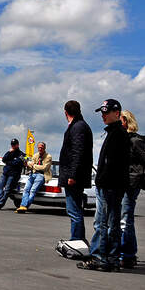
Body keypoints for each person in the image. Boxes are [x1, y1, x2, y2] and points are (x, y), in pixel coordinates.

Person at [78, 99, 130, 272]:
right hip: (112, 186)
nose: (103, 115)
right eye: (102, 112)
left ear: (117, 113)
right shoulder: (115, 133)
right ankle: (112, 259)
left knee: (102, 223)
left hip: (109, 187)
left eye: (106, 112)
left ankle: (101, 258)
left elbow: (113, 164)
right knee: (111, 223)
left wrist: (102, 181)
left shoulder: (118, 134)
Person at [120, 110, 145, 269]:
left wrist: (142, 181)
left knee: (125, 220)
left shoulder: (135, 141)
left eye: (119, 120)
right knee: (126, 219)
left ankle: (127, 255)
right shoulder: (124, 139)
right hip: (124, 184)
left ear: (126, 121)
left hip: (130, 185)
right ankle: (129, 254)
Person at [58, 100, 94, 242]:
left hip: (74, 177)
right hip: (76, 175)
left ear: (65, 112)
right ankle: (78, 240)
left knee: (74, 210)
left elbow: (77, 152)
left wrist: (72, 175)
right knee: (75, 209)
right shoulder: (80, 125)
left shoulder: (78, 127)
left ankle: (77, 240)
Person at [16, 142, 52, 213]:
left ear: (45, 148)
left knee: (32, 191)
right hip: (32, 174)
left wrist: (33, 165)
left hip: (41, 175)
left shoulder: (48, 156)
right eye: (39, 147)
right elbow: (30, 165)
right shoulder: (35, 155)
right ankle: (23, 206)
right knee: (26, 189)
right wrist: (27, 164)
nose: (40, 149)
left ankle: (24, 206)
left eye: (41, 147)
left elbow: (44, 168)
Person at [0, 139, 26, 209]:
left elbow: (17, 163)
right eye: (12, 144)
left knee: (7, 189)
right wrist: (9, 153)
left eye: (14, 144)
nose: (13, 146)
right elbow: (4, 159)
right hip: (5, 173)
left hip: (14, 174)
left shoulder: (22, 154)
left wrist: (8, 162)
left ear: (18, 145)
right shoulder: (9, 152)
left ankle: (0, 203)